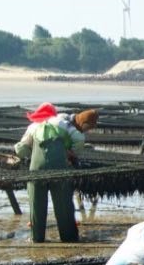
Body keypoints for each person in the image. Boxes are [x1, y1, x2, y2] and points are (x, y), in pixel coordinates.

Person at [14, 103, 99, 243]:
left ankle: (37, 238)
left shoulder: (34, 126)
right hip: (60, 170)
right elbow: (79, 139)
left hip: (36, 171)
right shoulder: (63, 124)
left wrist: (31, 153)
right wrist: (71, 153)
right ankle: (68, 238)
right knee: (63, 204)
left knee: (36, 204)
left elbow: (20, 149)